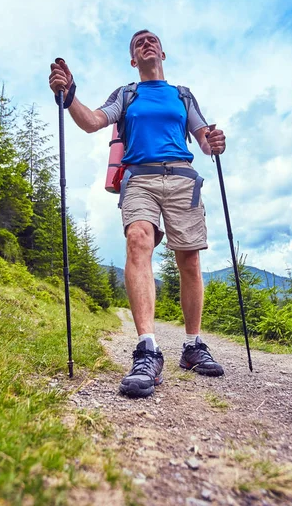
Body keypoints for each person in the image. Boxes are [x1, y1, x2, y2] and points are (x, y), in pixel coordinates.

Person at [49, 30, 226, 399]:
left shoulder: (183, 95)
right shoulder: (126, 94)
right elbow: (93, 121)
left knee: (189, 259)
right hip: (139, 178)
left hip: (182, 177)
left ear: (163, 51)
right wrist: (69, 96)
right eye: (137, 43)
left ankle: (193, 346)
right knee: (138, 239)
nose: (145, 43)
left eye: (151, 40)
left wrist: (216, 141)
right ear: (133, 60)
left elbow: (206, 141)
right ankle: (148, 349)